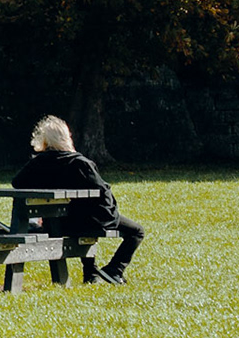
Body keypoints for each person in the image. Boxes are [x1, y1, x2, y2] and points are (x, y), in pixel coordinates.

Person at [10, 114, 146, 285]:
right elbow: (101, 193)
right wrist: (112, 215)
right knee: (137, 231)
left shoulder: (37, 163)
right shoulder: (80, 163)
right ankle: (114, 269)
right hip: (84, 222)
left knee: (86, 221)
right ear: (66, 138)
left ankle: (92, 274)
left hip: (58, 224)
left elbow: (17, 183)